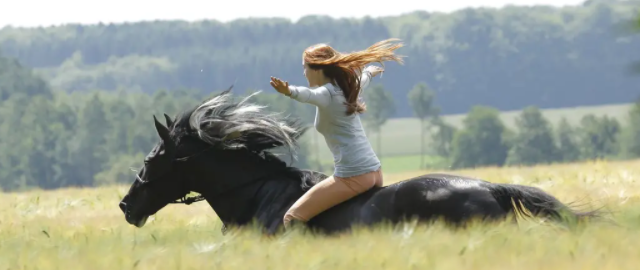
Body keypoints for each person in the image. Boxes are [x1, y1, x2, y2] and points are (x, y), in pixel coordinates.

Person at [269, 38, 405, 230]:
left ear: (317, 68)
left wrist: (288, 91)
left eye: (305, 67)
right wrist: (369, 72)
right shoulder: (347, 87)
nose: (303, 72)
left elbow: (308, 95)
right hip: (374, 172)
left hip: (353, 174)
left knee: (292, 217)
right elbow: (363, 80)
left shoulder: (327, 93)